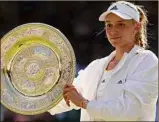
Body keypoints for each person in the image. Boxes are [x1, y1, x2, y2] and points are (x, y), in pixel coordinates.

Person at [48, 1, 158, 121]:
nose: (113, 31)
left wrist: (83, 103)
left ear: (137, 27)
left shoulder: (146, 61)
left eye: (121, 25)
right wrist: (36, 89)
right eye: (109, 25)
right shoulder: (95, 67)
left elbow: (130, 110)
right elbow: (61, 100)